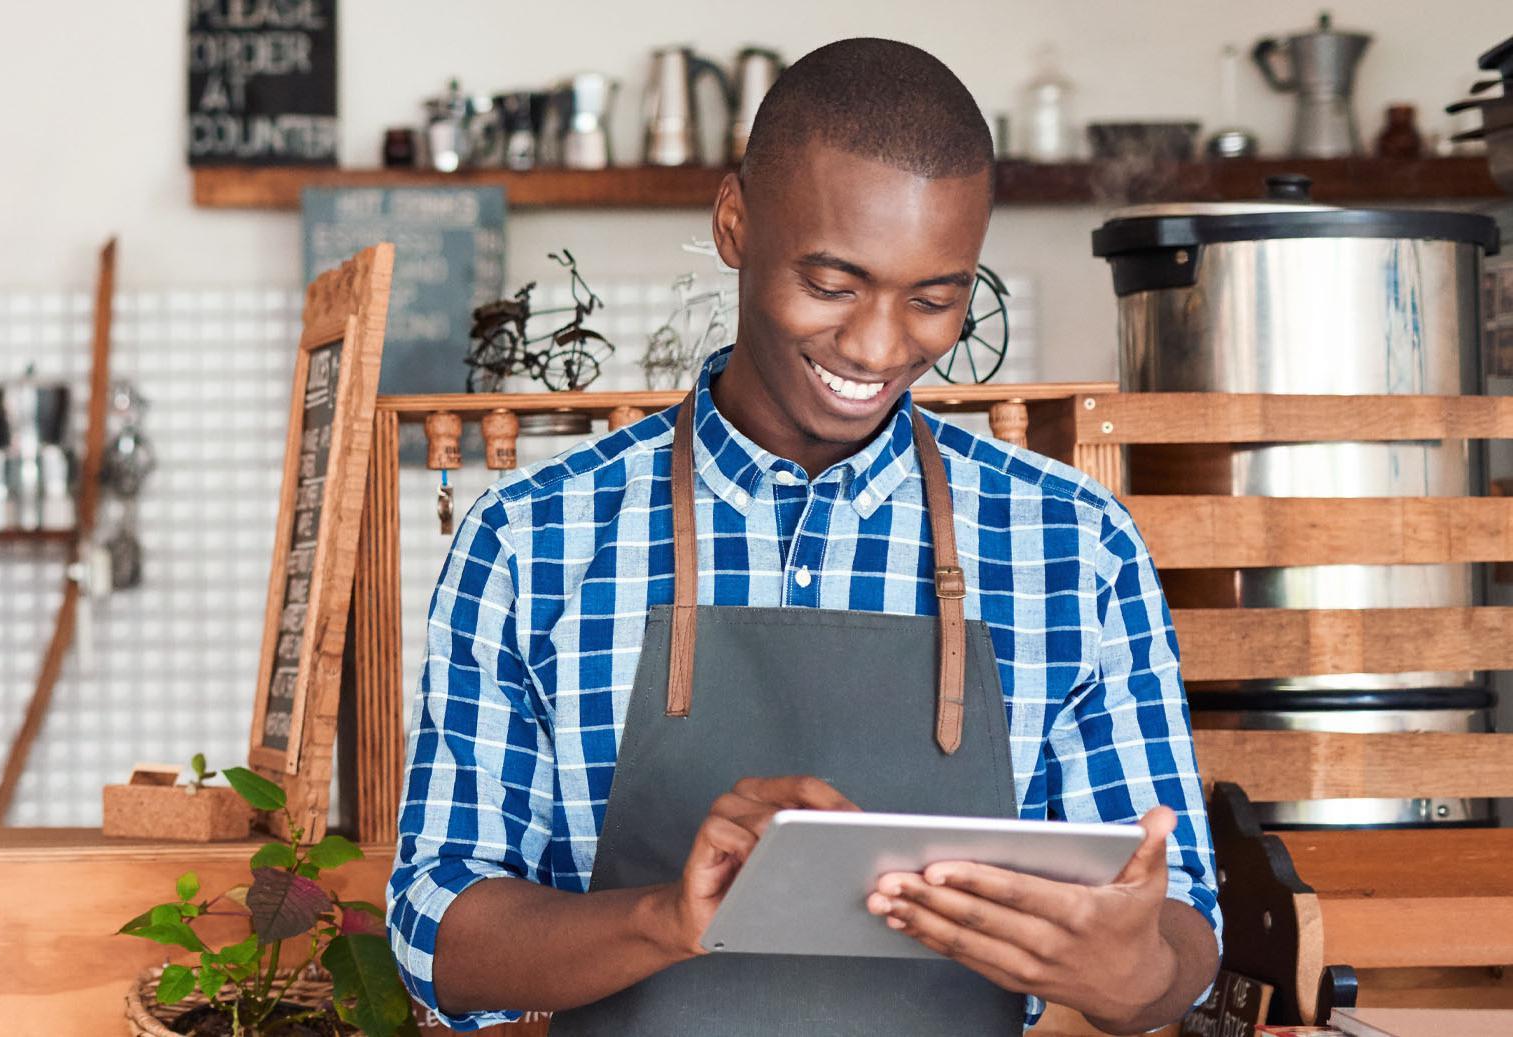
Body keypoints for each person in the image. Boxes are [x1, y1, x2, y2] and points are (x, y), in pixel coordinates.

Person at [386, 38, 1218, 1036]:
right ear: (734, 222)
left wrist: (1130, 971)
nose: (875, 346)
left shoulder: (1074, 544)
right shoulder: (531, 538)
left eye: (934, 298)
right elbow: (435, 929)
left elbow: (1184, 938)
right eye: (831, 283)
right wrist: (665, 917)